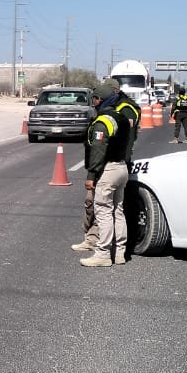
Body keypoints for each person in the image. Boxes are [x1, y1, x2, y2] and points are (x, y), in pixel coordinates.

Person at [71, 78, 139, 255]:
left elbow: (103, 147)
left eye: (96, 97)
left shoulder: (123, 110)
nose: (93, 101)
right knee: (111, 209)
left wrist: (92, 174)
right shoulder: (113, 112)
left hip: (108, 166)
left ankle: (103, 251)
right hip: (115, 165)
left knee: (103, 210)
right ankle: (111, 249)